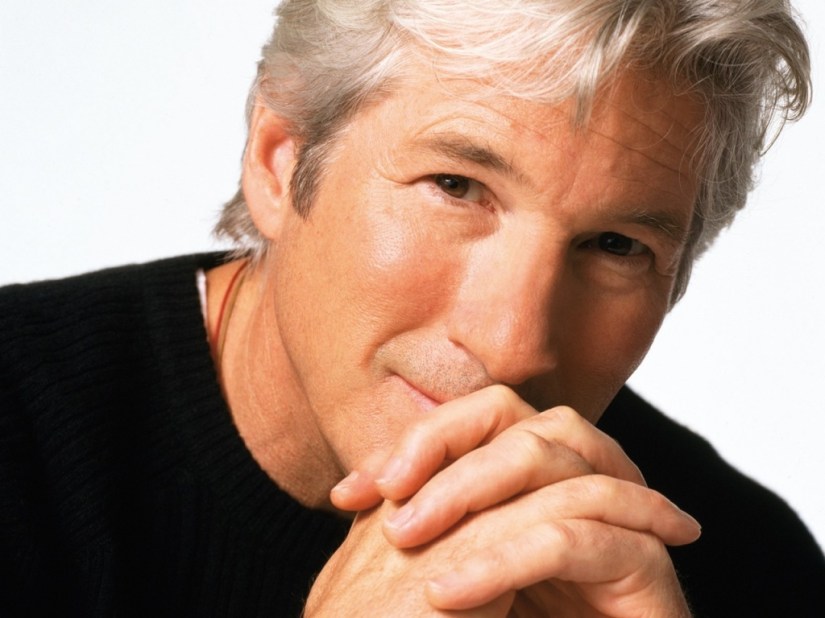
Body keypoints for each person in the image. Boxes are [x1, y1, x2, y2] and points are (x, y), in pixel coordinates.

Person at [1, 0, 823, 615]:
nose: (511, 346)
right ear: (279, 162)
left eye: (615, 245)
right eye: (455, 187)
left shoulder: (739, 568)